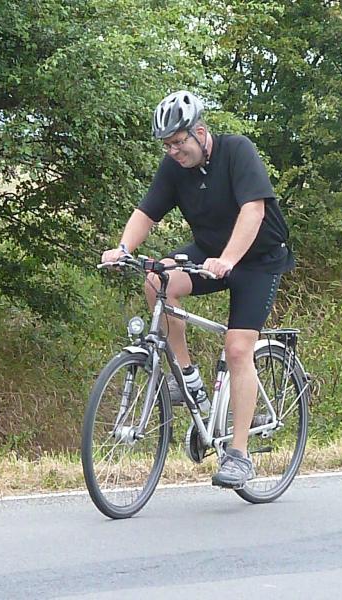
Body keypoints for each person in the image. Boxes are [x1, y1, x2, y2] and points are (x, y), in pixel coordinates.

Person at [101, 90, 295, 489]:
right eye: (167, 145)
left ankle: (238, 455)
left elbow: (253, 210)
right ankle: (186, 378)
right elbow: (146, 212)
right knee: (157, 279)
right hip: (209, 254)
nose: (173, 151)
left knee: (237, 348)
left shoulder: (237, 151)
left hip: (258, 260)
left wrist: (229, 259)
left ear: (200, 132)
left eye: (178, 142)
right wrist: (123, 249)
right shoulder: (174, 168)